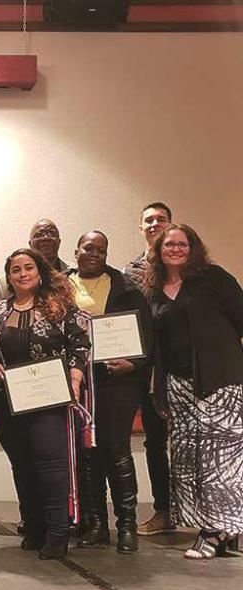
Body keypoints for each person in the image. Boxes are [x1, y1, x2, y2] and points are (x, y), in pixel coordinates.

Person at [0, 248, 90, 559]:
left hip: (49, 398)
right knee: (23, 465)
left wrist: (74, 379)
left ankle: (57, 533)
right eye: (15, 269)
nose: (22, 274)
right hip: (7, 401)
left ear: (39, 271)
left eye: (28, 267)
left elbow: (80, 345)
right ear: (9, 277)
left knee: (51, 466)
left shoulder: (60, 307)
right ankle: (33, 528)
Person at [147, 224, 243, 559]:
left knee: (220, 461)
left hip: (219, 381)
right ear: (159, 251)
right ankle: (222, 528)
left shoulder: (213, 278)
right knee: (188, 461)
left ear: (193, 247)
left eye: (181, 243)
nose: (175, 249)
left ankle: (214, 533)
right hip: (178, 384)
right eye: (168, 244)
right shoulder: (155, 289)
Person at [68, 230, 151, 554]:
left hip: (117, 382)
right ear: (76, 251)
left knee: (116, 451)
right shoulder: (59, 286)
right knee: (87, 453)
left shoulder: (128, 289)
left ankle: (126, 525)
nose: (94, 254)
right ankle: (96, 525)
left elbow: (147, 336)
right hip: (77, 382)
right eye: (89, 248)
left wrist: (134, 363)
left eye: (101, 250)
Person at [124, 202, 175, 536]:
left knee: (190, 442)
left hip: (181, 365)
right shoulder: (130, 272)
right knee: (155, 442)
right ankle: (164, 511)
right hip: (143, 368)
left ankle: (205, 514)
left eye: (161, 219)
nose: (154, 224)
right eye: (149, 220)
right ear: (140, 227)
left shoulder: (186, 264)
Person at [0, 219, 68, 300]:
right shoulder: (3, 284)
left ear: (59, 241)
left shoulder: (74, 274)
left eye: (51, 233)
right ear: (30, 243)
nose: (46, 238)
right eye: (39, 234)